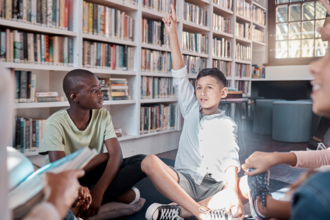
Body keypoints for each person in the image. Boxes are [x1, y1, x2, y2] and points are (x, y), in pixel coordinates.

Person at [140, 5, 255, 220]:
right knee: (148, 162)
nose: (202, 93)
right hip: (186, 181)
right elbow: (179, 74)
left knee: (247, 184)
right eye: (199, 87)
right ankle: (203, 211)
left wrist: (231, 191)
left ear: (223, 93)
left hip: (216, 187)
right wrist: (172, 33)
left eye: (209, 88)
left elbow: (231, 159)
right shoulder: (191, 108)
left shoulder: (226, 123)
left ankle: (176, 211)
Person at [241, 0, 330, 219]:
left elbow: (315, 201)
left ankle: (263, 207)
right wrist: (277, 157)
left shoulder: (317, 192)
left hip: (312, 199)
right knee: (240, 186)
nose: (314, 66)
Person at [38, 69, 146, 218]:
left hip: (92, 172)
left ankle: (89, 198)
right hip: (67, 178)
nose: (101, 94)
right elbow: (62, 169)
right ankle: (89, 200)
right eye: (94, 90)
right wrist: (102, 157)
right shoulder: (55, 122)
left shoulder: (102, 114)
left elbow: (116, 154)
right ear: (74, 96)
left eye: (100, 89)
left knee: (141, 161)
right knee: (131, 195)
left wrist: (99, 191)